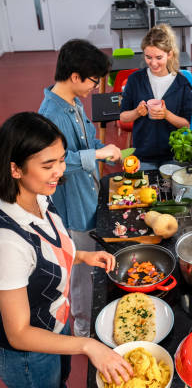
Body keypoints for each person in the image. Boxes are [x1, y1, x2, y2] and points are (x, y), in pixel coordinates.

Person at [0, 112, 132, 388]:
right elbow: (19, 333)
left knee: (57, 385)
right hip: (27, 352)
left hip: (54, 328)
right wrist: (88, 344)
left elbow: (52, 243)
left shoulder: (40, 195)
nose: (59, 171)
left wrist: (84, 257)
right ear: (15, 168)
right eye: (48, 164)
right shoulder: (7, 242)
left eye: (61, 160)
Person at [39, 39, 122, 337]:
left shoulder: (73, 104)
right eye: (93, 81)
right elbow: (55, 163)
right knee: (81, 271)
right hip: (73, 204)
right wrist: (97, 155)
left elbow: (88, 141)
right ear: (75, 76)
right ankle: (84, 330)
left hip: (88, 194)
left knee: (91, 263)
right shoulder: (51, 115)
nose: (94, 87)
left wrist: (106, 148)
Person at [120, 24, 192, 169]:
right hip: (143, 154)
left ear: (170, 54)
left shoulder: (182, 84)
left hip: (173, 154)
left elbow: (186, 124)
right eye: (148, 57)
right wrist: (136, 112)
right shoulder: (135, 80)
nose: (153, 63)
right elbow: (123, 117)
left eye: (159, 57)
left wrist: (166, 115)